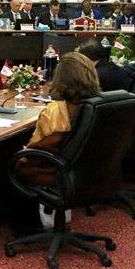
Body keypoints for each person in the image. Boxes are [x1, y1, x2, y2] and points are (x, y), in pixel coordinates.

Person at [14, 52, 100, 187]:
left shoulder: (56, 111)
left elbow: (38, 156)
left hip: (56, 173)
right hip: (89, 172)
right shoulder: (98, 105)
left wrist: (24, 154)